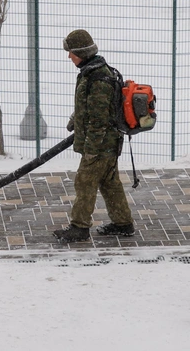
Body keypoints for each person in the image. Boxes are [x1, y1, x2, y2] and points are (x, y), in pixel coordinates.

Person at [53, 29, 135, 243]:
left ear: (81, 52)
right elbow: (89, 108)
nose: (69, 56)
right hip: (107, 143)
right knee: (110, 183)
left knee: (84, 182)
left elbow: (98, 119)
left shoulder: (98, 79)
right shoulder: (91, 73)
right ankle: (123, 224)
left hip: (100, 145)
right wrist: (75, 119)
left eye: (71, 52)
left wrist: (90, 150)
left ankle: (79, 228)